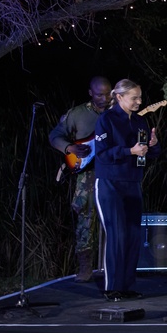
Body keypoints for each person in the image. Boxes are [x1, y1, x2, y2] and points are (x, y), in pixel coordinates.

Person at [93, 79, 160, 301]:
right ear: (119, 97)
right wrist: (128, 151)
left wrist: (153, 144)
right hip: (110, 182)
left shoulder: (140, 121)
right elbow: (102, 153)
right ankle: (112, 287)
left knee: (133, 235)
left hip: (133, 181)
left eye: (140, 97)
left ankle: (127, 285)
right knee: (117, 234)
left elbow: (148, 153)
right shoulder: (107, 119)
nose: (139, 102)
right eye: (135, 98)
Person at [49, 76, 112, 282]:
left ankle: (114, 265)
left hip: (113, 170)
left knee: (115, 217)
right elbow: (55, 136)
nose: (104, 98)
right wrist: (70, 148)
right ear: (90, 93)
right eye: (99, 94)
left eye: (108, 93)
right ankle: (85, 266)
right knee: (86, 217)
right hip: (87, 173)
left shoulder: (118, 111)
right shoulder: (77, 114)